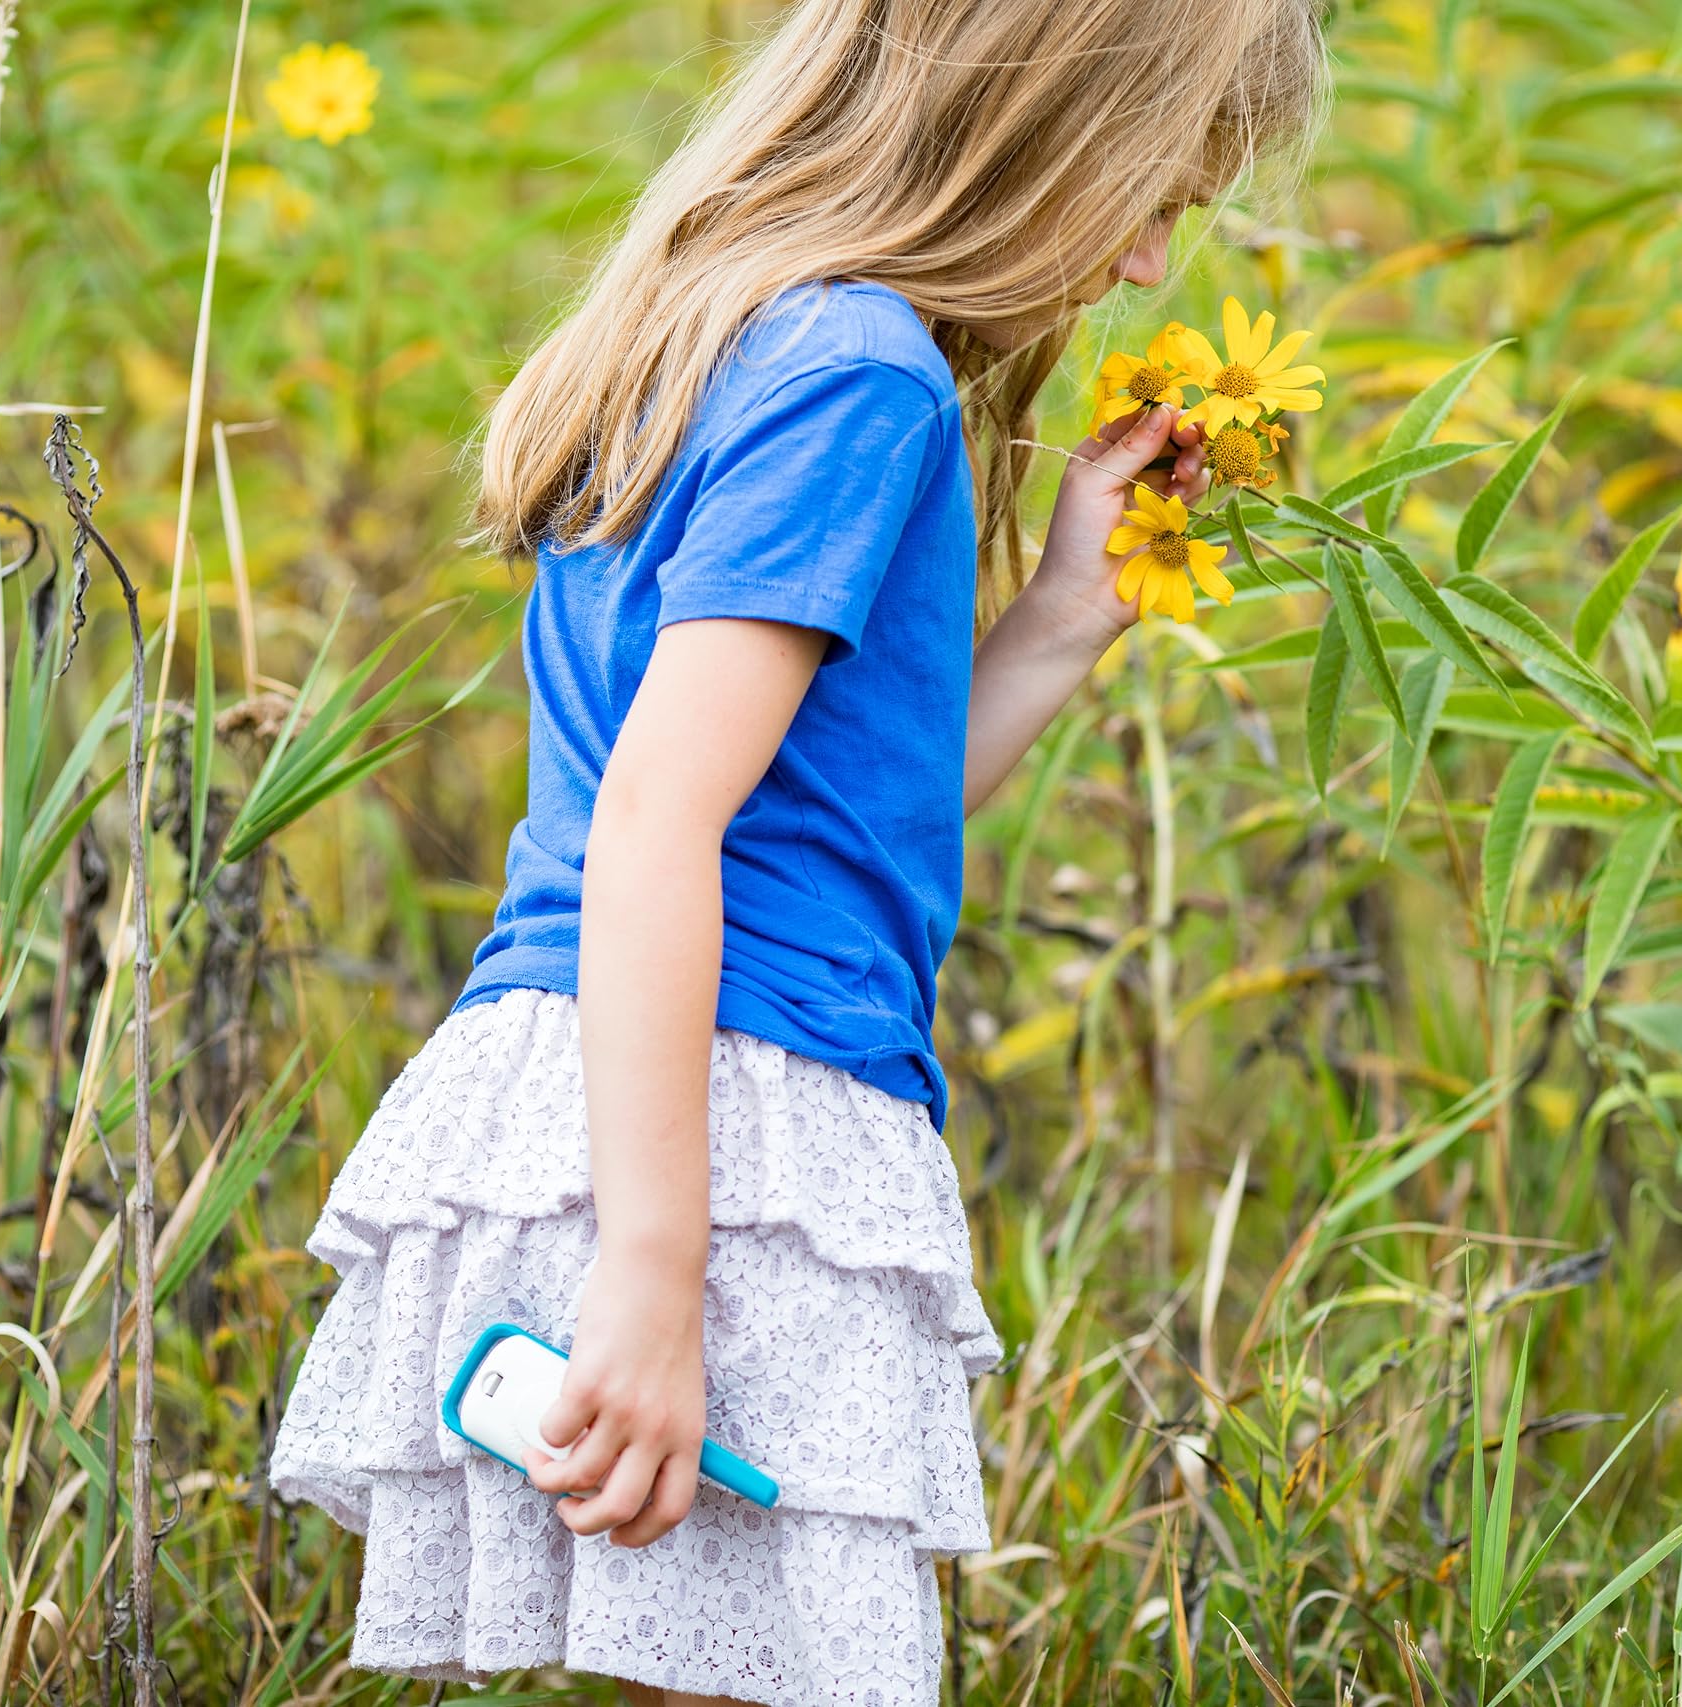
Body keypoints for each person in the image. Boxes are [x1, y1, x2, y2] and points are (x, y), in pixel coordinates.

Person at [267, 1, 1325, 1701]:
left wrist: (1062, 616)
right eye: (1154, 193)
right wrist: (657, 1270)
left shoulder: (739, 331)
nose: (1142, 264)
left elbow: (829, 815)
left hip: (619, 1075)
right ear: (1025, 123)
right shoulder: (866, 375)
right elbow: (662, 823)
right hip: (732, 1121)